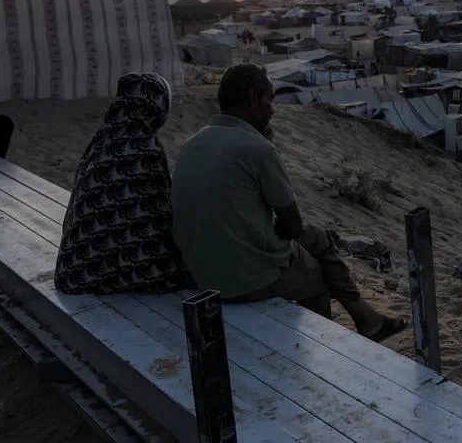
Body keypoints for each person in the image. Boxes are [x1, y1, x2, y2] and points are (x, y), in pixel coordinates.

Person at [172, 64, 406, 342]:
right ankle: (322, 346)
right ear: (252, 98)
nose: (273, 108)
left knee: (318, 238)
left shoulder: (191, 144)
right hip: (242, 279)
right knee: (318, 276)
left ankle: (366, 318)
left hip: (202, 272)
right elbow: (293, 227)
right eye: (269, 99)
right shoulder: (256, 148)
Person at [55, 73, 194, 294]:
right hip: (121, 268)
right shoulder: (146, 146)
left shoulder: (102, 139)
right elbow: (161, 215)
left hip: (74, 269)